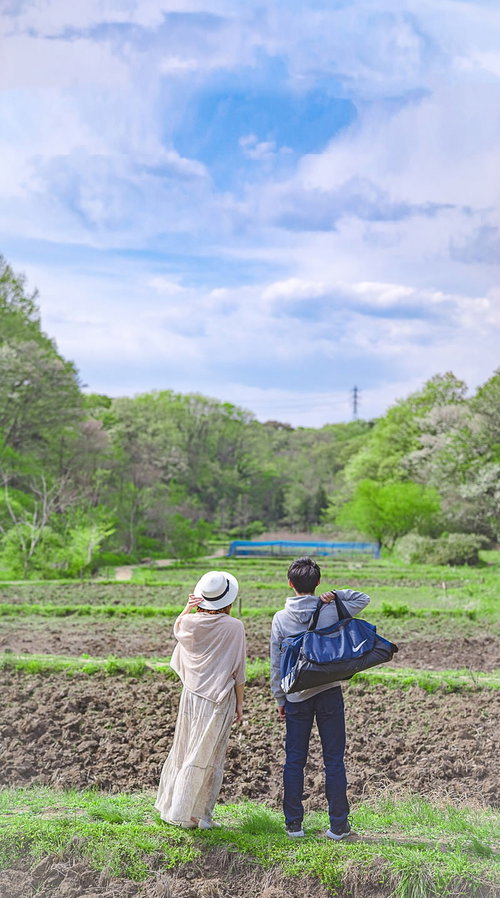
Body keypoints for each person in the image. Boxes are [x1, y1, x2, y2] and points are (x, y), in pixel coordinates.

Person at [270, 556, 370, 840]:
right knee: (334, 760)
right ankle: (338, 825)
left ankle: (294, 825)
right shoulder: (330, 610)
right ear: (318, 583)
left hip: (297, 696)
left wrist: (280, 698)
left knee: (294, 760)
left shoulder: (280, 618)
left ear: (290, 584)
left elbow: (276, 663)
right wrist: (337, 595)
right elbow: (363, 598)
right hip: (328, 691)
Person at [155, 570, 246, 829]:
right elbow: (238, 672)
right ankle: (193, 815)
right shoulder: (234, 627)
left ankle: (171, 807)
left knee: (184, 749)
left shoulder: (189, 623)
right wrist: (239, 704)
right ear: (228, 600)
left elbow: (177, 627)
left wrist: (187, 607)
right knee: (207, 756)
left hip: (191, 696)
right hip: (217, 700)